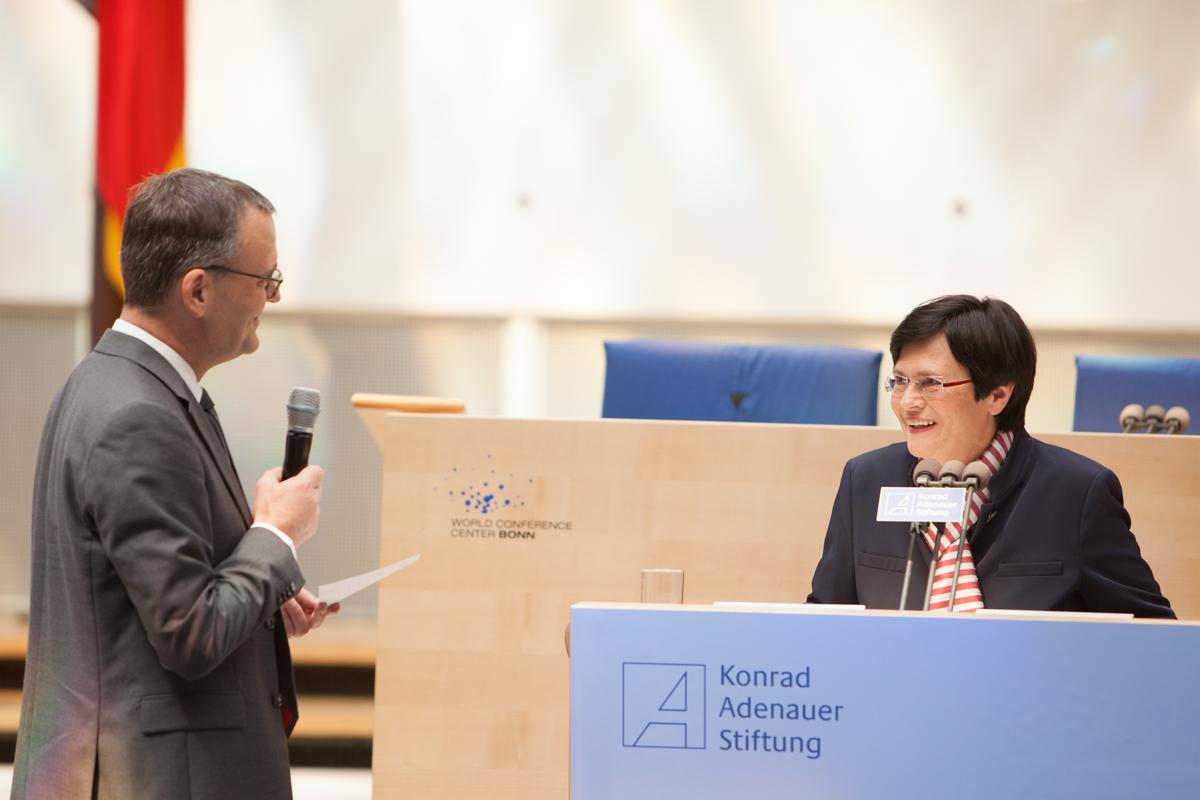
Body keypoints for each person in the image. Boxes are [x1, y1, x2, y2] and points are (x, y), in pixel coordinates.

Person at [12, 168, 338, 799]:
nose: (272, 297)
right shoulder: (138, 414)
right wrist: (276, 535)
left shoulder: (113, 383)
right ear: (198, 290)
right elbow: (190, 633)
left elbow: (142, 590)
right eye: (265, 279)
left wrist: (264, 585)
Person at [808, 295, 1174, 618]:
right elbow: (825, 619)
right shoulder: (866, 480)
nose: (907, 402)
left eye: (930, 383)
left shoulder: (1077, 493)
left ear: (997, 395)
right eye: (900, 381)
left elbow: (1153, 635)